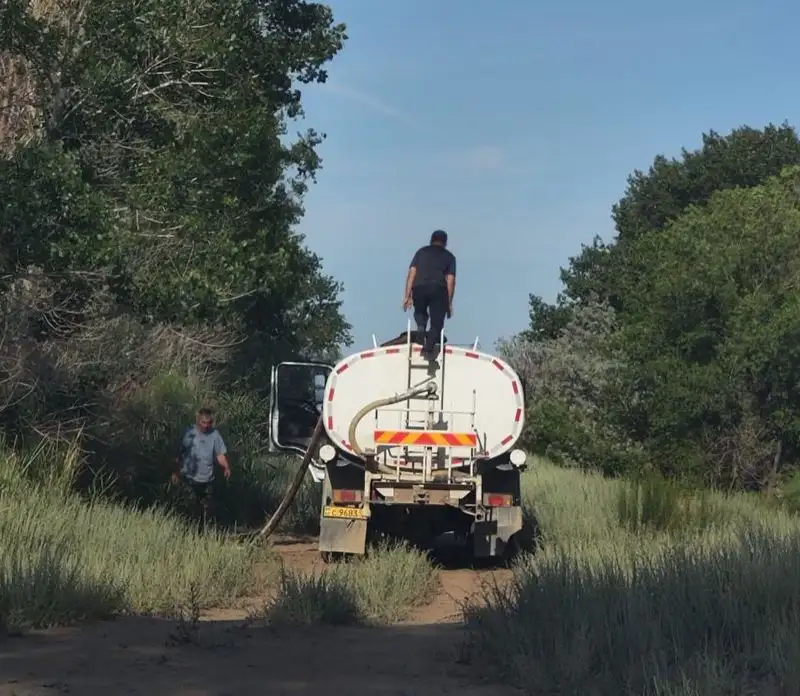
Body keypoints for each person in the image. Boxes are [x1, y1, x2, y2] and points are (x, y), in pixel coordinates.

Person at [172, 407, 231, 534]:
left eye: (209, 423)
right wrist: (176, 472)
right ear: (198, 421)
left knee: (207, 510)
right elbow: (179, 454)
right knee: (192, 509)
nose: (206, 426)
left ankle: (203, 534)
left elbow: (219, 454)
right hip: (190, 478)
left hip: (207, 479)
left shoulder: (214, 435)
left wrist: (226, 467)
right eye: (204, 423)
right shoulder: (189, 433)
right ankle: (189, 534)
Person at [402, 229, 456, 358]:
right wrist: (448, 303)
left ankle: (421, 327)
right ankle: (428, 349)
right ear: (445, 242)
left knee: (420, 311)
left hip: (419, 287)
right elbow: (451, 280)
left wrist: (407, 295)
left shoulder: (421, 252)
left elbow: (412, 273)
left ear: (431, 240)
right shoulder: (449, 257)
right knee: (437, 321)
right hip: (438, 288)